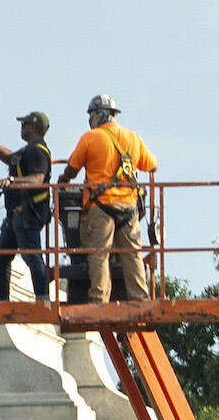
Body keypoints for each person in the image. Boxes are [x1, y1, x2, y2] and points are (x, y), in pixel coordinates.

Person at [56, 94, 158, 303]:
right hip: (129, 206)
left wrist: (62, 180)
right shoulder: (133, 138)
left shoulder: (90, 138)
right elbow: (152, 165)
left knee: (99, 254)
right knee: (132, 255)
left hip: (100, 206)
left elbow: (73, 169)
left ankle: (99, 299)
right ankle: (140, 299)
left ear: (97, 116)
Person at [0, 112, 52, 301]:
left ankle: (42, 298)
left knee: (31, 255)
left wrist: (12, 180)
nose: (22, 127)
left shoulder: (38, 151)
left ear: (36, 128)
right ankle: (3, 300)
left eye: (25, 124)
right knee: (1, 256)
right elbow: (10, 158)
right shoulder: (28, 150)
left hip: (29, 213)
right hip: (17, 214)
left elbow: (37, 179)